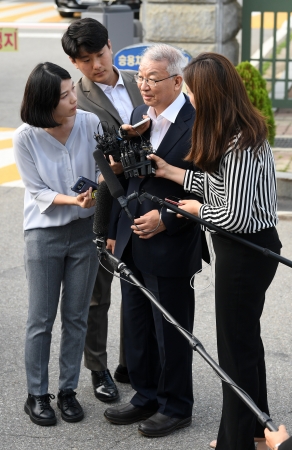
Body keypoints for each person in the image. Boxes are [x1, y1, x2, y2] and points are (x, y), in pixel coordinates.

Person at [147, 52, 282, 449]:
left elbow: (235, 215)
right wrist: (172, 172)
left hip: (246, 252)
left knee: (234, 351)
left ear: (212, 92)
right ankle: (258, 430)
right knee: (245, 342)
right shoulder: (239, 129)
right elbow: (223, 188)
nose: (190, 98)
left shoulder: (240, 139)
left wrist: (194, 210)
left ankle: (235, 442)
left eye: (192, 91)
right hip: (251, 247)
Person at [103, 43, 207, 438]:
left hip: (172, 240)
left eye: (153, 78)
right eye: (140, 78)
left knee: (172, 329)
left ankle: (176, 405)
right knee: (136, 324)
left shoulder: (199, 124)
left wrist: (166, 220)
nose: (143, 86)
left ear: (177, 81)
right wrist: (115, 231)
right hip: (131, 238)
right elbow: (128, 180)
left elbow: (206, 190)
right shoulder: (135, 115)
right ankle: (145, 395)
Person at [61, 18, 145, 401]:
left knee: (140, 288)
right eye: (85, 59)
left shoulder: (139, 80)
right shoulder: (74, 99)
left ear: (110, 46)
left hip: (147, 197)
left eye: (100, 53)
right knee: (98, 294)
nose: (96, 64)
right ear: (75, 63)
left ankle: (133, 363)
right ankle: (98, 369)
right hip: (104, 203)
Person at [13, 62, 100, 426]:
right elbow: (37, 192)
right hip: (44, 235)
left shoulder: (90, 124)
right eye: (64, 96)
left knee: (77, 317)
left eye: (72, 90)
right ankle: (36, 395)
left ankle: (67, 391)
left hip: (85, 235)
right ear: (46, 103)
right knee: (41, 319)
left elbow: (103, 167)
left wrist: (98, 185)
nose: (74, 98)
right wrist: (75, 200)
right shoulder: (25, 137)